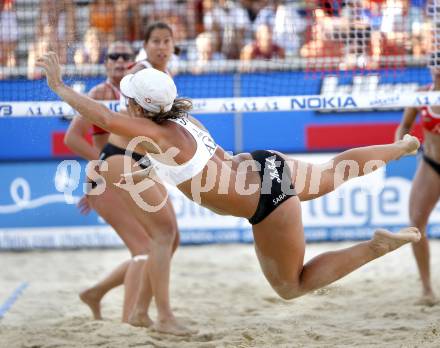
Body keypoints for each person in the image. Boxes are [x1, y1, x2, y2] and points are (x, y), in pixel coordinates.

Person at [38, 51, 421, 306]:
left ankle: (376, 247)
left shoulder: (155, 134)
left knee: (292, 286)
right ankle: (401, 146)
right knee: (334, 170)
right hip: (265, 164)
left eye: (129, 98)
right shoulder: (178, 116)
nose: (124, 102)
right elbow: (139, 100)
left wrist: (59, 86)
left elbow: (103, 120)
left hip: (266, 203)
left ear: (138, 106)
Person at [64, 42, 188, 335]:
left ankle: (98, 294)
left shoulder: (142, 90)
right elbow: (72, 138)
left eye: (125, 57)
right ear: (105, 63)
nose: (120, 61)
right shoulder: (102, 94)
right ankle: (129, 322)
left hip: (131, 170)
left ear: (134, 62)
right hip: (111, 177)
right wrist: (104, 166)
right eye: (113, 56)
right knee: (145, 249)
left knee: (166, 241)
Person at [395, 59, 440, 306]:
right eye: (436, 62)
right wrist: (401, 144)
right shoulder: (421, 95)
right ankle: (426, 289)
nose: (438, 66)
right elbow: (404, 125)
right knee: (416, 224)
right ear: (431, 67)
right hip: (432, 164)